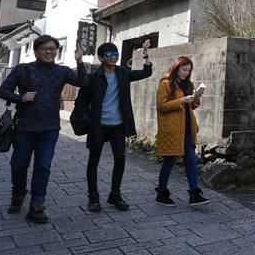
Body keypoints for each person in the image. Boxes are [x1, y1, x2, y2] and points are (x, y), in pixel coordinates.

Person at [0, 35, 86, 224]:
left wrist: (79, 61)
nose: (49, 52)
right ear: (36, 51)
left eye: (52, 48)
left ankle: (37, 204)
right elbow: (2, 90)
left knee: (42, 166)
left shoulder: (61, 71)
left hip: (50, 128)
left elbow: (83, 82)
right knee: (19, 165)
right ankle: (18, 194)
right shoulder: (23, 69)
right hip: (24, 127)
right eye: (44, 49)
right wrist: (20, 98)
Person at [76, 40, 153, 212]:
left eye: (116, 54)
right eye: (110, 55)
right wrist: (85, 118)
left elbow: (146, 72)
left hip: (118, 125)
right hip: (98, 126)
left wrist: (145, 54)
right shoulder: (93, 78)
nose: (114, 58)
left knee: (120, 159)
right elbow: (80, 100)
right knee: (93, 161)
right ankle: (93, 197)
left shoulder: (123, 73)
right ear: (101, 58)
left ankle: (115, 194)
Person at [154, 56, 210, 207]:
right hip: (172, 129)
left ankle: (194, 193)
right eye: (184, 69)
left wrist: (196, 99)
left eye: (188, 70)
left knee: (191, 160)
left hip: (187, 128)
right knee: (169, 162)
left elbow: (192, 107)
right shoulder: (165, 83)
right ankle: (162, 192)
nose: (186, 73)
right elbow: (161, 106)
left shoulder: (188, 84)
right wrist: (181, 101)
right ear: (176, 67)